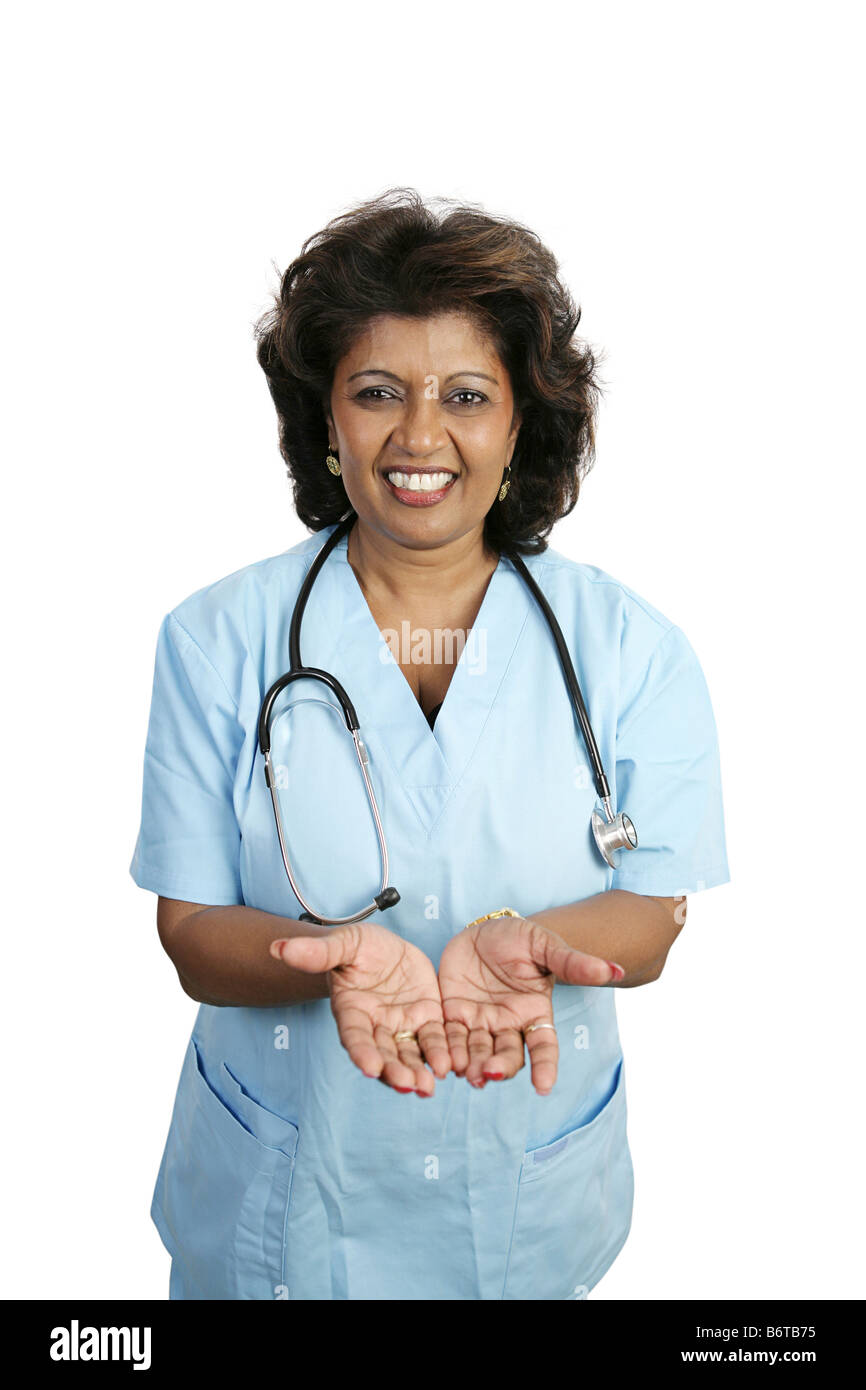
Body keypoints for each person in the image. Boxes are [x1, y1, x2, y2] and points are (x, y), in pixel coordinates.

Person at [130, 188, 730, 1300]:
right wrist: (333, 958)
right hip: (279, 1207)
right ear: (326, 422)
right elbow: (191, 932)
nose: (417, 435)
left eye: (463, 394)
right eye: (374, 393)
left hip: (526, 1202)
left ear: (517, 423)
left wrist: (524, 940)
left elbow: (651, 918)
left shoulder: (631, 648)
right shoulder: (214, 638)